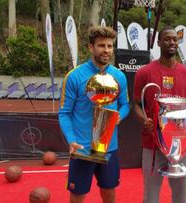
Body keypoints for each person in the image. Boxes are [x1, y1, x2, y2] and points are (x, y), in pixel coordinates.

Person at [59, 26, 130, 203]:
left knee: (109, 190)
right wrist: (71, 140)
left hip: (108, 146)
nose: (106, 50)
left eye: (109, 46)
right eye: (101, 45)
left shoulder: (119, 76)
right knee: (78, 194)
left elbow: (125, 104)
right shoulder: (75, 76)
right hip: (82, 148)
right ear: (91, 47)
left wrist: (120, 115)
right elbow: (65, 113)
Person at [133, 25, 186, 203]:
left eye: (175, 39)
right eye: (167, 39)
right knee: (151, 195)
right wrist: (144, 119)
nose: (172, 42)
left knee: (180, 195)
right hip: (152, 144)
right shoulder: (144, 73)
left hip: (180, 144)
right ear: (159, 42)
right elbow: (137, 105)